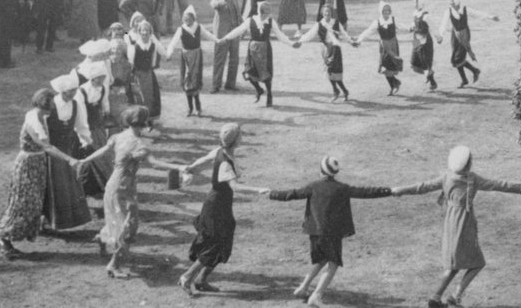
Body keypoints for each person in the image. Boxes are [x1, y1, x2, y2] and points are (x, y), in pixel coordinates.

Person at [392, 145, 521, 308]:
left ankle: (436, 297)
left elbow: (423, 186)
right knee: (477, 263)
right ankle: (455, 296)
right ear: (468, 164)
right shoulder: (472, 179)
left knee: (454, 263)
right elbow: (498, 184)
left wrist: (400, 190)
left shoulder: (446, 177)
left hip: (450, 222)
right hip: (464, 224)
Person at [76, 106, 190, 278]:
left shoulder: (117, 136)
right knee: (126, 226)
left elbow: (104, 150)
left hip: (112, 185)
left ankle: (102, 238)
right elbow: (155, 164)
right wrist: (179, 167)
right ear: (144, 123)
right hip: (123, 188)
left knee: (117, 219)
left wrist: (85, 160)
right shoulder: (139, 145)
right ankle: (113, 266)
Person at [266, 156, 392, 306]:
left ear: (321, 171)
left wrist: (272, 193)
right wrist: (389, 191)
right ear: (335, 173)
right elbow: (366, 192)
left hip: (314, 232)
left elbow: (292, 194)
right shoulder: (342, 188)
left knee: (321, 260)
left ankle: (303, 288)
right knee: (333, 263)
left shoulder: (313, 186)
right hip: (332, 233)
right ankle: (316, 295)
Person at [179, 124, 268, 296]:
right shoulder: (226, 163)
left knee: (224, 240)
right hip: (216, 207)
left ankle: (201, 280)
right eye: (240, 135)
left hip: (220, 204)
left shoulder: (220, 151)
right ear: (237, 140)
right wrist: (258, 189)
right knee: (215, 244)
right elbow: (235, 186)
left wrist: (191, 168)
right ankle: (187, 276)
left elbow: (204, 159)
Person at [0, 89, 81, 259]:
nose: (54, 107)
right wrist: (69, 159)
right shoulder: (34, 120)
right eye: (51, 104)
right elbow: (46, 146)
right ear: (44, 104)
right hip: (28, 165)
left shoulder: (41, 117)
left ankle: (37, 227)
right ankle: (3, 237)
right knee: (22, 202)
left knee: (35, 200)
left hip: (38, 164)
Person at [221, 0, 303, 107]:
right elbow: (239, 30)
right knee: (248, 72)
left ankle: (269, 94)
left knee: (266, 74)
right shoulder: (250, 20)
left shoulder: (270, 21)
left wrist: (291, 43)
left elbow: (279, 35)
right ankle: (259, 89)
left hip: (265, 50)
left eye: (268, 14)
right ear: (260, 12)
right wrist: (226, 38)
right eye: (264, 14)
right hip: (253, 50)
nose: (266, 16)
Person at [45, 73, 94, 231]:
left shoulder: (75, 105)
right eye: (70, 91)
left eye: (75, 90)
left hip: (67, 149)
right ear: (62, 91)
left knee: (69, 184)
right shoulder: (50, 105)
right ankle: (48, 219)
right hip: (50, 152)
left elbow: (81, 125)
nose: (73, 93)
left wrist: (87, 141)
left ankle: (68, 220)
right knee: (51, 184)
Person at [298, 3, 358, 102]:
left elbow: (344, 34)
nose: (327, 14)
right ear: (322, 13)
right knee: (329, 71)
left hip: (336, 49)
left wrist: (352, 42)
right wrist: (300, 41)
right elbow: (309, 34)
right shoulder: (319, 24)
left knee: (336, 72)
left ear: (331, 13)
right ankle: (340, 90)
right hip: (326, 49)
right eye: (325, 12)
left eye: (329, 12)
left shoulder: (336, 23)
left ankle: (340, 91)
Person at [166, 5, 218, 117]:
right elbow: (173, 42)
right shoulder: (181, 29)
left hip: (196, 56)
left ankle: (198, 107)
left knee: (195, 81)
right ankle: (190, 107)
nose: (187, 22)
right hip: (186, 57)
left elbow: (208, 35)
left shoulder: (198, 27)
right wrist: (169, 53)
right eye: (185, 20)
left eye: (189, 20)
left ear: (194, 19)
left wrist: (217, 40)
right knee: (187, 81)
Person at [441, 0, 497, 88]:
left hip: (465, 35)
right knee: (455, 57)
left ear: (457, 2)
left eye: (453, 2)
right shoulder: (448, 11)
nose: (451, 4)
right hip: (455, 35)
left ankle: (473, 72)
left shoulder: (465, 9)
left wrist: (490, 17)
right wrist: (441, 35)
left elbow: (477, 14)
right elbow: (444, 23)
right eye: (450, 3)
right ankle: (467, 77)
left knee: (458, 58)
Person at [76, 62, 116, 200]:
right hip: (85, 127)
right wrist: (84, 136)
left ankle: (103, 186)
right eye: (100, 78)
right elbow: (81, 115)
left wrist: (106, 113)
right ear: (92, 78)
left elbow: (104, 103)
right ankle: (87, 187)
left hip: (98, 126)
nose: (103, 80)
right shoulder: (81, 91)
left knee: (103, 153)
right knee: (89, 153)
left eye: (104, 77)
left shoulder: (102, 88)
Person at [126, 19, 171, 128]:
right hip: (137, 75)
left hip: (148, 74)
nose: (145, 33)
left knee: (149, 96)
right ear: (139, 32)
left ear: (150, 32)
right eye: (143, 30)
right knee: (138, 96)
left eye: (147, 30)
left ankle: (149, 119)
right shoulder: (134, 46)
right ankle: (138, 119)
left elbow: (153, 60)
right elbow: (131, 62)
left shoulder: (153, 45)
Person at [356, 1, 405, 95]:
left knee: (390, 66)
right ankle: (395, 83)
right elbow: (368, 31)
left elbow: (401, 26)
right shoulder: (377, 22)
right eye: (384, 10)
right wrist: (359, 39)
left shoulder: (393, 20)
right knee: (384, 67)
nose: (386, 12)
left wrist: (410, 28)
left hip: (393, 45)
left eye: (388, 10)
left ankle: (394, 86)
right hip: (384, 47)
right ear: (381, 11)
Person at [209, 0, 243, 93]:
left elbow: (237, 11)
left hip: (234, 30)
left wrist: (241, 26)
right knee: (220, 58)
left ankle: (230, 83)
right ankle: (216, 84)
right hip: (222, 31)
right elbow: (214, 5)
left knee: (234, 58)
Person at [410, 0, 441, 92]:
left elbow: (433, 27)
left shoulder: (426, 16)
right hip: (417, 41)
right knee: (415, 61)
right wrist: (411, 27)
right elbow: (414, 23)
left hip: (425, 42)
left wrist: (438, 37)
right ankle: (429, 77)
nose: (414, 4)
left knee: (426, 62)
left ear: (421, 3)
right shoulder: (415, 13)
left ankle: (432, 83)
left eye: (416, 2)